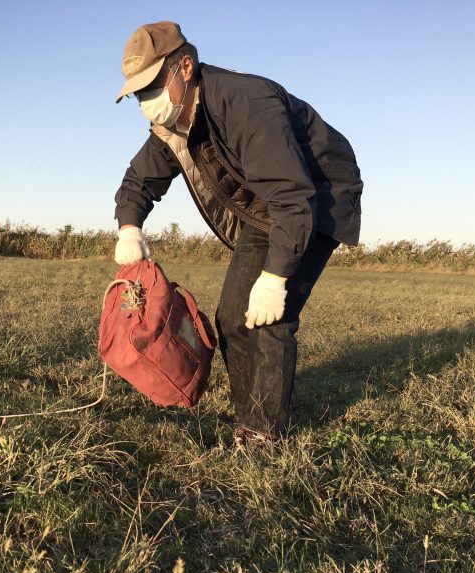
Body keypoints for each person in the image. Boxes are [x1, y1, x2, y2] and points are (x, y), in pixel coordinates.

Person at [112, 21, 363, 446]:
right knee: (232, 317)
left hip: (317, 197)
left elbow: (293, 196)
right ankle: (250, 419)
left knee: (269, 314)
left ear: (185, 67)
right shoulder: (173, 124)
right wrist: (129, 228)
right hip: (266, 207)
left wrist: (276, 276)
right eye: (138, 93)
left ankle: (264, 434)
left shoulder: (246, 102)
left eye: (152, 85)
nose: (146, 102)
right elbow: (139, 180)